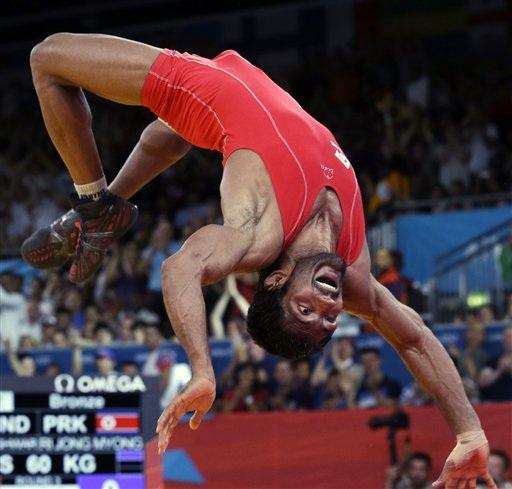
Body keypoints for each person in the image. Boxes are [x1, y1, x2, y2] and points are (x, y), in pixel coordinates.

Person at [21, 33, 494, 487]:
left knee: (48, 60)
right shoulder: (355, 276)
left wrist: (202, 370)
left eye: (305, 309)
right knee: (172, 132)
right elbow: (414, 341)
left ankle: (96, 205)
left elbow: (180, 267)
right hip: (231, 91)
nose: (329, 309)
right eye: (329, 320)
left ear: (277, 281)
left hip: (208, 89)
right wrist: (469, 431)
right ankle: (110, 208)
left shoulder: (256, 239)